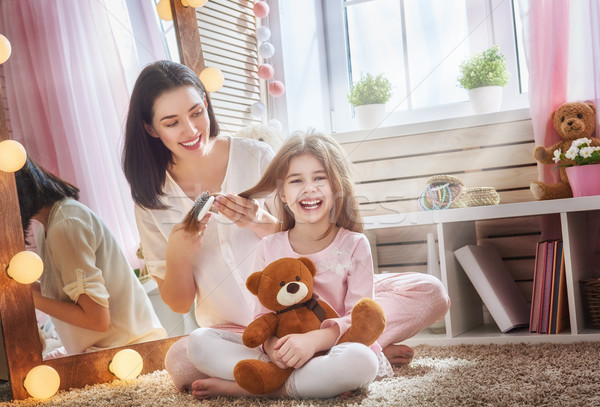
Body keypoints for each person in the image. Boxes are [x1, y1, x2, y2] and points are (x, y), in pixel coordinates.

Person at [175, 130, 451, 399]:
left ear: (336, 187)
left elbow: (357, 318)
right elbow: (262, 317)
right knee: (199, 343)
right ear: (282, 193)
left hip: (333, 347)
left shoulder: (354, 244)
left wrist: (312, 342)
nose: (309, 189)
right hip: (283, 350)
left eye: (320, 178)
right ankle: (304, 379)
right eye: (296, 181)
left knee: (361, 360)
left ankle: (260, 387)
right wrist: (273, 349)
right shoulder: (269, 246)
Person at [121, 60, 279, 383]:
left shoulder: (258, 157)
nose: (191, 130)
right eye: (172, 122)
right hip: (230, 334)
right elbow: (179, 304)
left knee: (409, 292)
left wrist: (261, 221)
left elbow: (309, 246)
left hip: (290, 315)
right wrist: (177, 254)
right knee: (182, 358)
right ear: (151, 129)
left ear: (206, 104)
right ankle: (288, 369)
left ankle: (260, 378)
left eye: (196, 112)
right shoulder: (152, 200)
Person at [14, 158, 166, 356]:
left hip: (128, 352)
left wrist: (29, 299)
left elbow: (97, 319)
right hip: (110, 350)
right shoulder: (50, 227)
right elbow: (57, 295)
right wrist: (17, 290)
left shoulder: (65, 224)